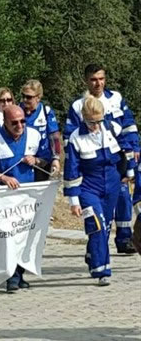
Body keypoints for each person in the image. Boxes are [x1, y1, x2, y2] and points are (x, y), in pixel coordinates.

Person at [64, 64, 138, 254]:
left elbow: (128, 125)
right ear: (86, 81)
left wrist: (134, 148)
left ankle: (124, 238)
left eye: (101, 78)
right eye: (94, 79)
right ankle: (98, 248)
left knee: (123, 197)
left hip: (118, 156)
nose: (98, 83)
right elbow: (70, 136)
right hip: (93, 162)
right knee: (101, 209)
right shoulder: (78, 105)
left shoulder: (116, 98)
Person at [0, 105, 48, 292]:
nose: (19, 125)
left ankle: (19, 274)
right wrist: (4, 178)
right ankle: (11, 276)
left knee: (24, 237)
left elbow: (46, 158)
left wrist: (36, 160)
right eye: (14, 122)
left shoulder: (34, 135)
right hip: (4, 198)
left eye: (22, 121)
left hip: (27, 197)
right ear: (5, 122)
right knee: (9, 238)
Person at [64, 97, 123, 285]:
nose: (96, 126)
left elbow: (127, 148)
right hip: (89, 186)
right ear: (83, 118)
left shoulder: (112, 128)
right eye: (91, 122)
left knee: (105, 227)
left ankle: (92, 254)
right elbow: (71, 170)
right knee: (96, 225)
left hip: (112, 183)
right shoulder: (75, 138)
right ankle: (101, 270)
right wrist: (74, 201)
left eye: (99, 121)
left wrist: (128, 171)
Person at [20, 80, 62, 180]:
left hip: (42, 162)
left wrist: (55, 159)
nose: (25, 99)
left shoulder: (46, 112)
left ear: (38, 97)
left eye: (29, 97)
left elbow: (54, 137)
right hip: (23, 160)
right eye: (23, 96)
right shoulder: (17, 110)